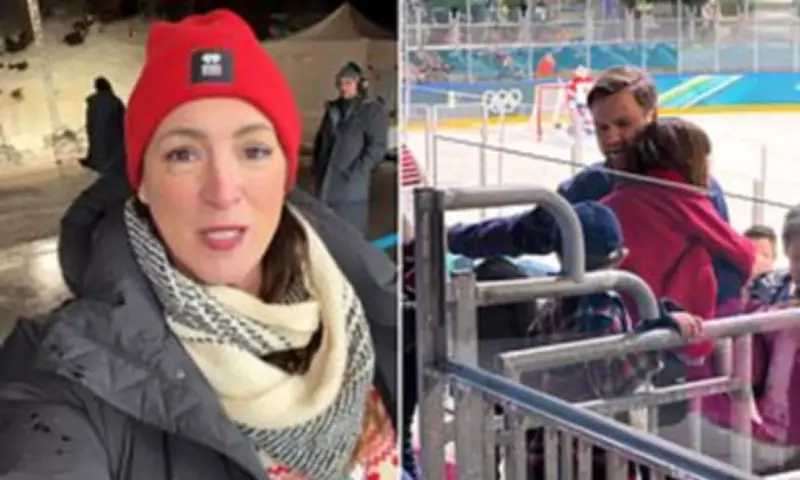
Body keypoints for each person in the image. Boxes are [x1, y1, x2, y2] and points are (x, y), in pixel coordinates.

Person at [0, 10, 399, 480]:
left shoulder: (368, 304)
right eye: (183, 154)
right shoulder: (59, 368)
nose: (223, 190)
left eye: (254, 150)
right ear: (142, 183)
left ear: (285, 174)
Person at [446, 66, 741, 311]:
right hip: (602, 322)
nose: (611, 137)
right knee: (497, 273)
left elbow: (727, 267)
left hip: (669, 336)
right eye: (602, 127)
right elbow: (529, 232)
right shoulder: (591, 184)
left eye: (623, 124)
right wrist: (452, 238)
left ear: (652, 115)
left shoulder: (697, 188)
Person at [601, 117, 755, 361]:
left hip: (617, 319)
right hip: (670, 329)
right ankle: (698, 351)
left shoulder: (613, 199)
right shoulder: (682, 197)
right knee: (705, 253)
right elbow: (743, 253)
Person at [312, 61, 389, 234]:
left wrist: (358, 171)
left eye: (348, 83)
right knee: (327, 233)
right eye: (340, 83)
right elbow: (321, 140)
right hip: (326, 185)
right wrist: (317, 168)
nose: (343, 87)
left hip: (352, 190)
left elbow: (377, 147)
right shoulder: (333, 110)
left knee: (350, 234)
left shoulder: (372, 111)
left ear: (360, 85)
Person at [82, 76, 126, 176]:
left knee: (101, 158)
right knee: (113, 160)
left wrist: (90, 131)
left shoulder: (93, 102)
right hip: (114, 136)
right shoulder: (114, 101)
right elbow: (123, 119)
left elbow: (90, 120)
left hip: (97, 136)